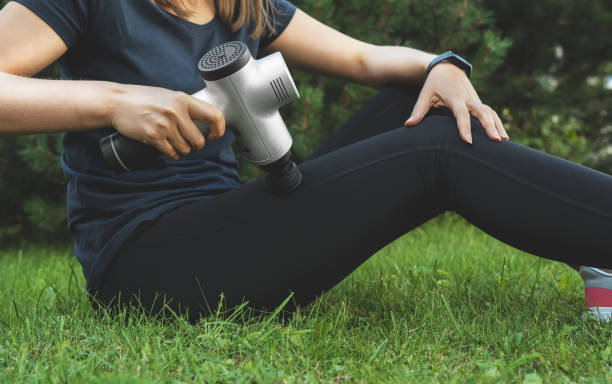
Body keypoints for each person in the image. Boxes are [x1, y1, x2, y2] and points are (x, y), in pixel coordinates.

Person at [0, 0, 610, 321]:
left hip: (232, 226)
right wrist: (111, 101)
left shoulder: (240, 3)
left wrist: (440, 64)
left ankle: (588, 242)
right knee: (433, 153)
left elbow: (367, 59)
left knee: (416, 100)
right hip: (148, 264)